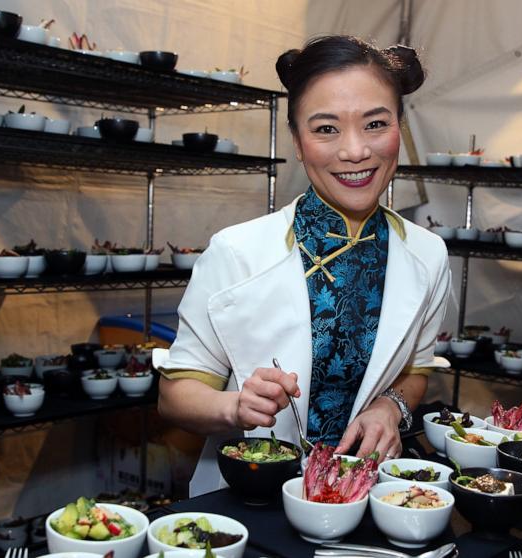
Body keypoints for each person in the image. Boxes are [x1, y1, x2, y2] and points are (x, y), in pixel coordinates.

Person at [156, 35, 452, 496]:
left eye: (376, 123)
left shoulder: (428, 254)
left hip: (372, 494)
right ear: (297, 141)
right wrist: (235, 408)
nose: (355, 151)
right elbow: (175, 398)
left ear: (400, 127)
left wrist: (390, 408)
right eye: (326, 129)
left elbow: (416, 367)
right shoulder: (237, 252)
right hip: (252, 499)